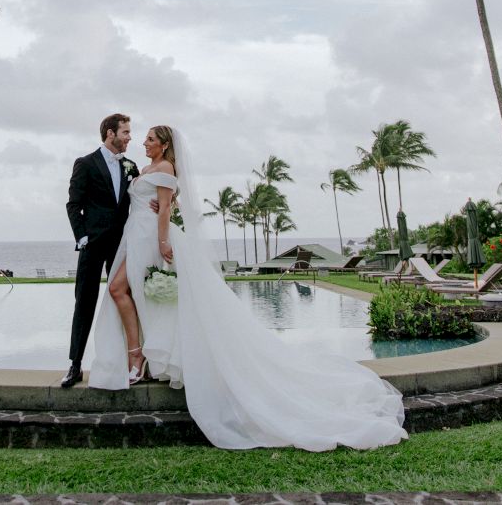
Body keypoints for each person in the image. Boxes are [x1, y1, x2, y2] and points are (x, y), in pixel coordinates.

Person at [87, 125, 408, 451]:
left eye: (151, 139)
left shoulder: (167, 167)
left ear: (165, 144)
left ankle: (144, 358)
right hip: (134, 237)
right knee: (133, 294)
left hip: (154, 241)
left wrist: (163, 241)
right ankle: (142, 357)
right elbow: (158, 202)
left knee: (134, 293)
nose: (143, 141)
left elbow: (166, 207)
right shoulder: (141, 169)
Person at [60, 113, 138, 388]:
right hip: (92, 245)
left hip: (121, 245)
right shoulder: (86, 163)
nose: (130, 137)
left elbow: (137, 201)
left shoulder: (131, 166)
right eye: (126, 132)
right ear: (110, 133)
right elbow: (73, 204)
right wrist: (82, 237)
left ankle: (126, 363)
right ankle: (75, 365)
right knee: (85, 302)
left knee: (123, 299)